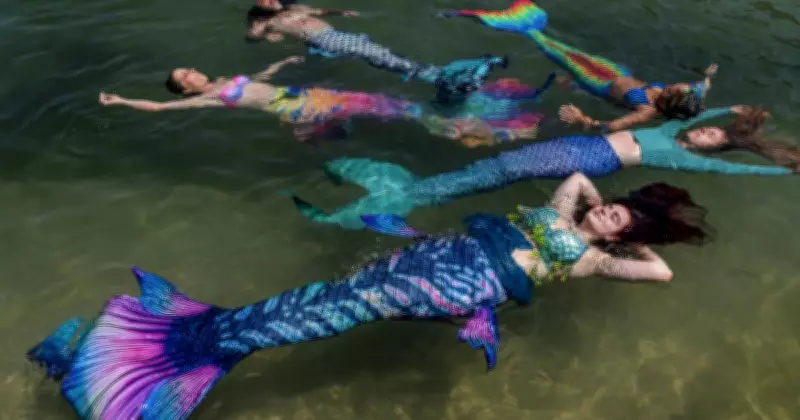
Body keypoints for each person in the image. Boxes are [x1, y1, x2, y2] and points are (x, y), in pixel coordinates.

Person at [27, 174, 711, 419]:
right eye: (612, 210)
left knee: (320, 318)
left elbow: (664, 275)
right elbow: (574, 176)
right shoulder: (567, 212)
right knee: (311, 297)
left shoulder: (594, 259)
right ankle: (177, 344)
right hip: (431, 256)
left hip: (454, 285)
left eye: (617, 221)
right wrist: (610, 205)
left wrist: (629, 241)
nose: (604, 216)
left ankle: (151, 378)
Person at [290, 105, 794, 229]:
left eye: (714, 140)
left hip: (580, 157)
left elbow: (737, 170)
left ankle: (399, 200)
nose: (706, 134)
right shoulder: (671, 129)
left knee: (494, 170)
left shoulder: (677, 152)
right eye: (708, 130)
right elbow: (706, 113)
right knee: (489, 169)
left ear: (708, 152)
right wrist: (739, 114)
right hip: (570, 147)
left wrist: (783, 171)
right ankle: (408, 194)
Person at [98, 56, 555, 146]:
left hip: (303, 96)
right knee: (386, 107)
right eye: (185, 76)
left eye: (188, 68)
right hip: (298, 107)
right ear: (186, 90)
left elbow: (252, 80)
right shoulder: (209, 99)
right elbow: (159, 109)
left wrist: (278, 66)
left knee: (378, 102)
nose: (192, 71)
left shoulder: (221, 80)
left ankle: (325, 134)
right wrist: (120, 101)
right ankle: (463, 130)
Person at [436, 0, 717, 131]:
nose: (673, 86)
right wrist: (707, 75)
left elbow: (610, 126)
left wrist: (584, 120)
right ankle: (524, 24)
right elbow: (703, 86)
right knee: (568, 50)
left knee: (552, 49)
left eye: (673, 91)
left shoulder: (646, 112)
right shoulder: (685, 94)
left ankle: (507, 22)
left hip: (597, 83)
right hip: (616, 73)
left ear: (671, 103)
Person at [245, 0, 509, 104]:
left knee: (379, 55)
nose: (269, 0)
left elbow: (321, 12)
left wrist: (340, 12)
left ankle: (438, 78)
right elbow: (253, 38)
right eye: (263, 0)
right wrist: (263, 28)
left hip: (334, 36)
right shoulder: (265, 20)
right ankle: (442, 78)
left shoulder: (297, 7)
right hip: (327, 41)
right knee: (380, 56)